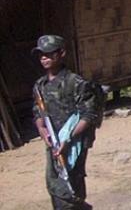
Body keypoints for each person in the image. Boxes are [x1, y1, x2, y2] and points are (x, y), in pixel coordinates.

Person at [32, 35, 97, 210]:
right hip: (53, 143)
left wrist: (68, 139)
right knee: (54, 185)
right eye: (41, 54)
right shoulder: (40, 85)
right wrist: (42, 130)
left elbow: (89, 116)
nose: (44, 58)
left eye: (48, 53)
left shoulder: (75, 82)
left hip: (73, 143)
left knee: (70, 187)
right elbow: (38, 112)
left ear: (61, 54)